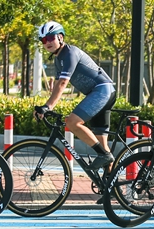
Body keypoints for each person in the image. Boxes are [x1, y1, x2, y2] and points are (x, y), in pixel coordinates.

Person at [35, 21, 117, 170]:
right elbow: (57, 87)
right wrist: (48, 105)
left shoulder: (70, 53)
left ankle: (104, 156)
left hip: (102, 91)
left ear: (60, 37)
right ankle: (110, 187)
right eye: (43, 40)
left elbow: (62, 84)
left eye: (50, 37)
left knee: (72, 122)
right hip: (100, 93)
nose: (47, 42)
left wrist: (47, 106)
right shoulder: (58, 59)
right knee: (103, 145)